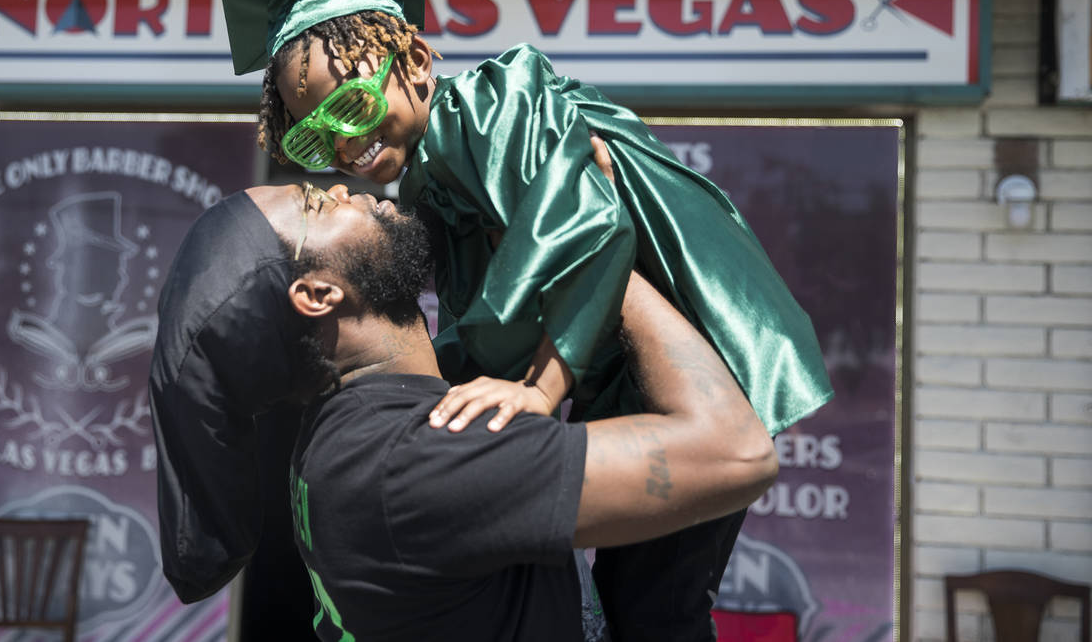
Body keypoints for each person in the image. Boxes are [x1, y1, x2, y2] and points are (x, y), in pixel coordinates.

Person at [214, 0, 833, 640]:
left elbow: (593, 227)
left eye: (351, 105)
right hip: (614, 361)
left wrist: (539, 391)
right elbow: (482, 318)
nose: (344, 144)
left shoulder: (497, 102)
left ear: (414, 60)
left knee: (656, 599)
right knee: (628, 593)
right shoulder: (423, 184)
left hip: (702, 344)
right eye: (313, 135)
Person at [149, 174, 779, 641]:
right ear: (318, 293)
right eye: (318, 205)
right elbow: (739, 454)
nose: (342, 188)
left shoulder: (350, 434)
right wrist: (590, 252)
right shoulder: (416, 458)